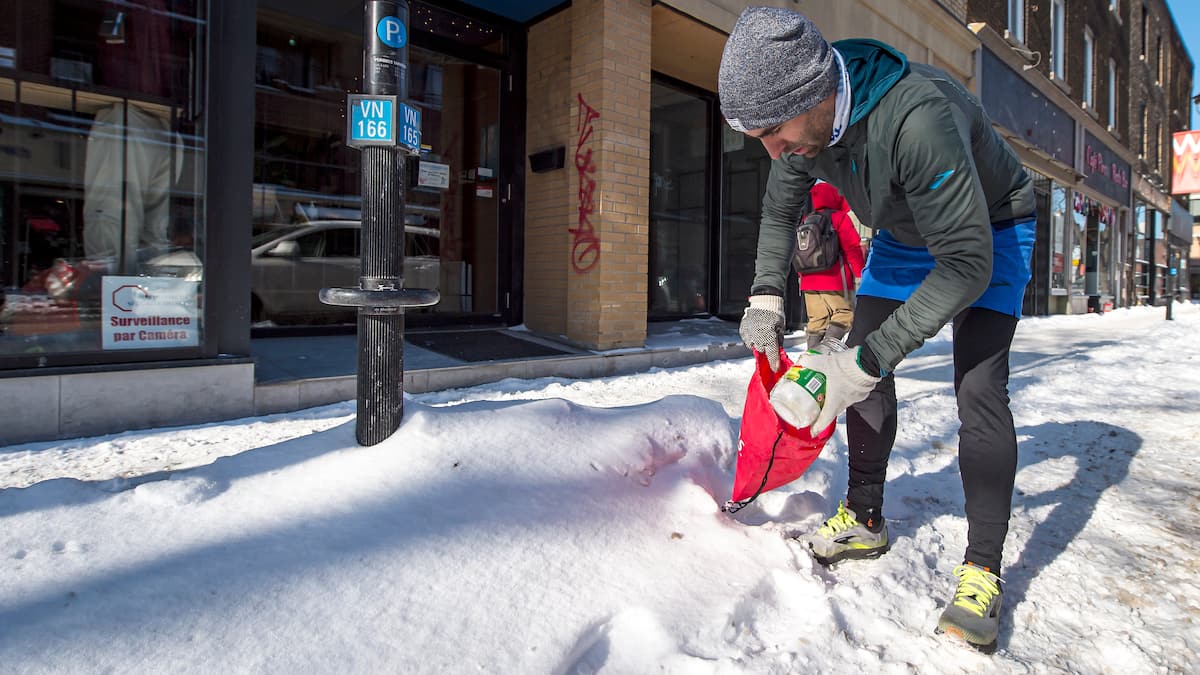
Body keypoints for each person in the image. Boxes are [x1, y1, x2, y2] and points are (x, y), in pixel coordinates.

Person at [719, 7, 1036, 653]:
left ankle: (981, 569)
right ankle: (864, 516)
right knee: (864, 369)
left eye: (773, 131)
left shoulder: (920, 116)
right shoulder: (798, 130)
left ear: (813, 96)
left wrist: (864, 360)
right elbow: (780, 211)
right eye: (758, 136)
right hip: (902, 235)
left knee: (976, 388)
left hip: (990, 232)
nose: (772, 150)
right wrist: (764, 297)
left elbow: (967, 263)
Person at [799, 182, 865, 349]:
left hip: (808, 281)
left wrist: (802, 277)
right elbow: (852, 248)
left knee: (816, 321)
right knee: (844, 314)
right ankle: (825, 353)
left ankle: (811, 360)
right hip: (835, 279)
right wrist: (860, 272)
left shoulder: (807, 219)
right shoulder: (840, 218)